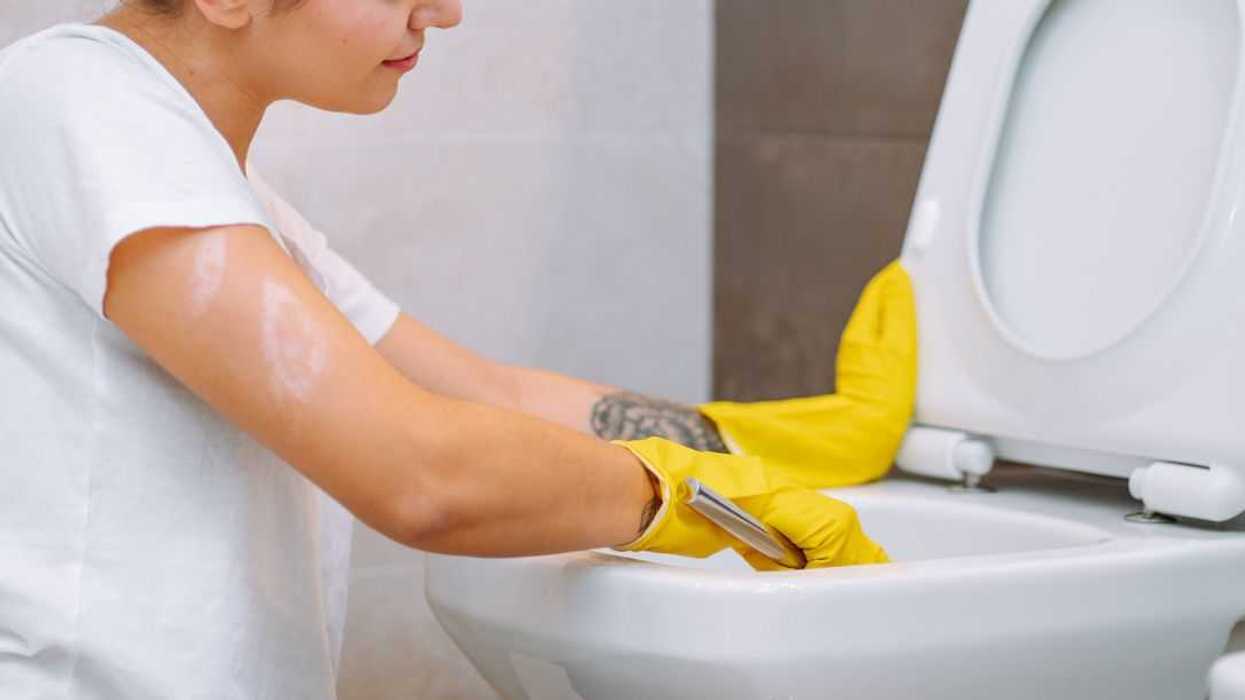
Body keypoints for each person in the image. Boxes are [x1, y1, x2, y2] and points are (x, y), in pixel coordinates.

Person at [0, 0, 917, 696]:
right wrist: (685, 496)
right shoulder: (81, 107)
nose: (444, 8)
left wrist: (782, 443)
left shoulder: (219, 194)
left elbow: (487, 396)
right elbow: (419, 475)